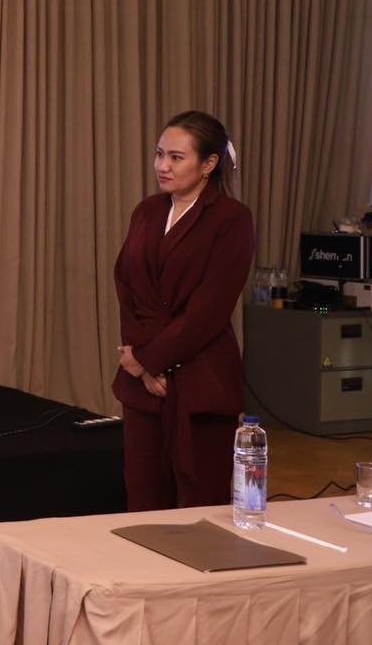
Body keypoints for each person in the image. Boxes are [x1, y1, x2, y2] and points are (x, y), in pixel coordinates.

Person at [113, 110, 255, 511]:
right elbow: (126, 287)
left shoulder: (231, 219)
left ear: (209, 163)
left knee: (200, 502)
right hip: (142, 383)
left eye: (176, 157)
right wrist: (139, 361)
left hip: (201, 378)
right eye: (160, 154)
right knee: (143, 496)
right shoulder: (146, 211)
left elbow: (208, 311)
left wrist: (149, 360)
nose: (163, 165)